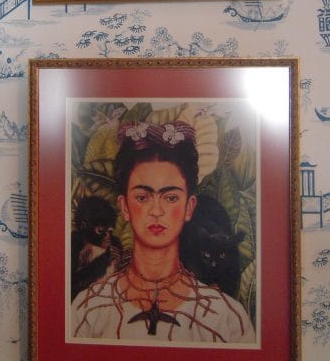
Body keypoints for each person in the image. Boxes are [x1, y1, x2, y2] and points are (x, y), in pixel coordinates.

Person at [70, 120, 254, 344]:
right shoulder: (88, 310)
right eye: (142, 197)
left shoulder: (227, 319)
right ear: (125, 206)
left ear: (189, 207)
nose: (156, 211)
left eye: (171, 198)